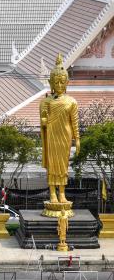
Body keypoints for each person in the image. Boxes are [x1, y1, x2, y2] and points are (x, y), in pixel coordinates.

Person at [40, 54, 80, 205]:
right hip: (51, 136)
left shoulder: (71, 101)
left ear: (67, 82)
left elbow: (75, 121)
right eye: (56, 82)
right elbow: (43, 121)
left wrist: (78, 139)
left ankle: (62, 193)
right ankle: (52, 194)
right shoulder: (46, 101)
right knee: (52, 164)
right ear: (51, 83)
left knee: (63, 165)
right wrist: (45, 121)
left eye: (62, 81)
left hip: (65, 136)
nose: (59, 85)